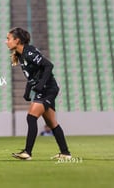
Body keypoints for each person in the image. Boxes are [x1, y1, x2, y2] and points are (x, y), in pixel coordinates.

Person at [6, 27, 71, 160]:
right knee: (53, 123)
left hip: (48, 89)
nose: (6, 41)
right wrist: (27, 91)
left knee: (31, 117)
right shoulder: (21, 54)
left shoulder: (29, 52)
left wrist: (41, 85)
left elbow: (48, 65)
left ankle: (27, 152)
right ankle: (65, 153)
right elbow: (33, 76)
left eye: (8, 39)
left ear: (17, 40)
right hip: (45, 89)